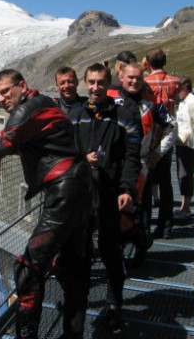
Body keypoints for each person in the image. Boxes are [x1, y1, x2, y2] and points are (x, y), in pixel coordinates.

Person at [0, 69, 93, 339]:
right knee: (73, 270)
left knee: (27, 270)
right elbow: (26, 142)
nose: (2, 98)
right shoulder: (42, 104)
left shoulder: (25, 110)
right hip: (77, 190)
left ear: (22, 85)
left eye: (7, 91)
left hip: (64, 195)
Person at [69, 63, 141, 330]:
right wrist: (81, 159)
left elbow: (133, 157)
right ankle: (80, 300)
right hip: (82, 195)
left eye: (100, 82)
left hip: (111, 193)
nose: (95, 87)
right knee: (81, 250)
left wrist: (127, 188)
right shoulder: (76, 115)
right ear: (85, 84)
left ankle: (114, 304)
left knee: (111, 250)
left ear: (108, 83)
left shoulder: (123, 115)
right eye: (91, 82)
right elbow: (66, 150)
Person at [110, 62, 177, 265]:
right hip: (113, 164)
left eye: (138, 78)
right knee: (114, 210)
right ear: (121, 77)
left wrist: (158, 152)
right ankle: (118, 251)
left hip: (140, 165)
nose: (134, 81)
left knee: (140, 210)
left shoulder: (152, 102)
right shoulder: (110, 97)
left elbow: (172, 126)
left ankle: (140, 249)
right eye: (130, 77)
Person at [143, 48, 181, 238]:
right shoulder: (175, 81)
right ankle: (166, 226)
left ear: (148, 62)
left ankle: (146, 225)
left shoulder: (145, 82)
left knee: (148, 183)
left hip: (151, 136)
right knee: (166, 182)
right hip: (168, 133)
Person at [175, 77, 194, 217]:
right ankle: (183, 206)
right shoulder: (183, 102)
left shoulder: (193, 102)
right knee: (182, 174)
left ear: (185, 88)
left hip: (188, 143)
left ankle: (186, 208)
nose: (177, 92)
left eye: (179, 89)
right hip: (181, 141)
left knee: (186, 174)